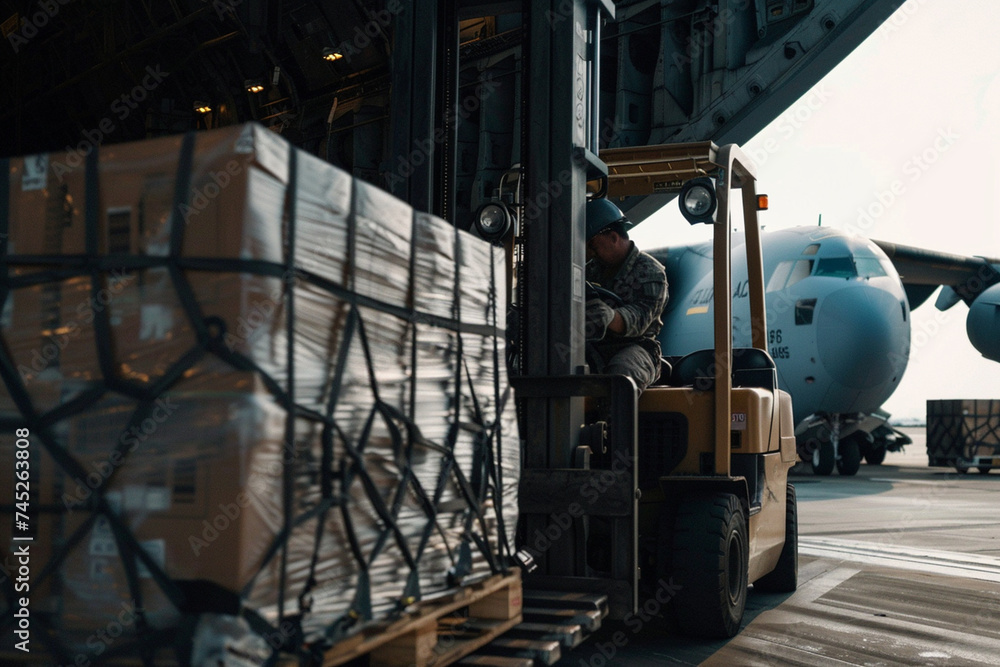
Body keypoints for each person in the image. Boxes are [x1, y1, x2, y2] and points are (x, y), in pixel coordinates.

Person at [584, 198, 669, 391]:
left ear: (613, 237)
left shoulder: (651, 272)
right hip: (594, 345)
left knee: (622, 375)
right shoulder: (591, 270)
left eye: (593, 246)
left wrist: (609, 316)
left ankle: (616, 411)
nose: (591, 253)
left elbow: (640, 318)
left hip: (636, 347)